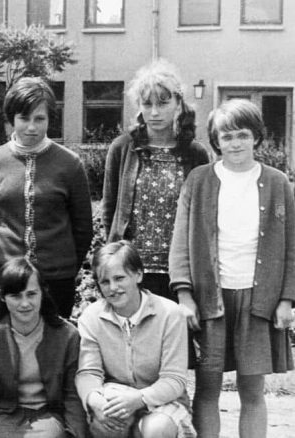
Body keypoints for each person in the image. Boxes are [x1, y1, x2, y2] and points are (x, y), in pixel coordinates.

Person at [169, 99, 295, 438]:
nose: (235, 143)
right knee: (207, 388)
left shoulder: (278, 182)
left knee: (252, 391)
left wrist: (286, 299)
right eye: (226, 137)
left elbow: (292, 248)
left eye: (242, 135)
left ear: (256, 137)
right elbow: (180, 242)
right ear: (215, 141)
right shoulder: (199, 180)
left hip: (259, 300)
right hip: (211, 301)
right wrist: (184, 295)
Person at [0, 77, 92, 319]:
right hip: (3, 276)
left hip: (56, 278)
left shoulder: (70, 164)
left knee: (53, 346)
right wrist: (3, 261)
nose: (31, 127)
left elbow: (83, 227)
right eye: (24, 118)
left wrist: (64, 265)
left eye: (40, 119)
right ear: (11, 119)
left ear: (50, 118)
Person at [102, 60, 212, 302]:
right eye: (147, 103)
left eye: (163, 103)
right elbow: (109, 212)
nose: (154, 112)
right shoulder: (123, 148)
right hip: (131, 271)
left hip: (179, 274)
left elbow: (203, 218)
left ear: (178, 103)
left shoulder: (195, 153)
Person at [78, 241, 194, 438]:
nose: (113, 288)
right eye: (105, 282)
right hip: (115, 396)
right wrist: (94, 400)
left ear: (138, 275)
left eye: (119, 278)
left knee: (157, 429)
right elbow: (88, 372)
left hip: (161, 399)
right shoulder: (91, 316)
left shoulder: (169, 314)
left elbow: (174, 379)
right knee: (107, 422)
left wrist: (139, 398)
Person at [0, 257, 86, 438]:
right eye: (15, 296)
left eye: (31, 294)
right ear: (2, 296)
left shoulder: (66, 335)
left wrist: (74, 434)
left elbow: (72, 396)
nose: (24, 304)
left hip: (48, 415)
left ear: (43, 292)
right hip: (4, 415)